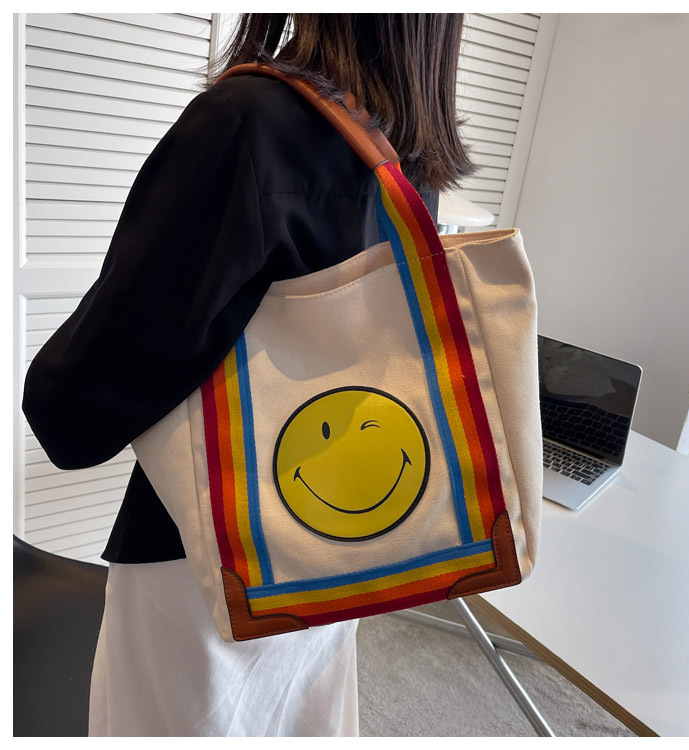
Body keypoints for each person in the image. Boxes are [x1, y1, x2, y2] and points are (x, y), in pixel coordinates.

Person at [22, 12, 478, 737]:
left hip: (209, 557)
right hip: (335, 539)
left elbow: (73, 414)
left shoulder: (247, 123)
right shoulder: (405, 153)